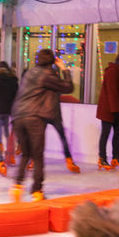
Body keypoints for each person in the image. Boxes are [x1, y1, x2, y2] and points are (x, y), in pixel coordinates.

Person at [10, 49, 74, 203]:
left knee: (26, 154)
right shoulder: (47, 74)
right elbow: (68, 88)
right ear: (52, 61)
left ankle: (17, 186)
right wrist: (64, 69)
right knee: (37, 156)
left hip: (18, 115)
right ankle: (37, 190)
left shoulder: (29, 73)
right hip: (34, 117)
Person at [0, 61, 18, 165]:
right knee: (7, 133)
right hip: (9, 110)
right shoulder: (12, 80)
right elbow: (16, 95)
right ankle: (10, 154)